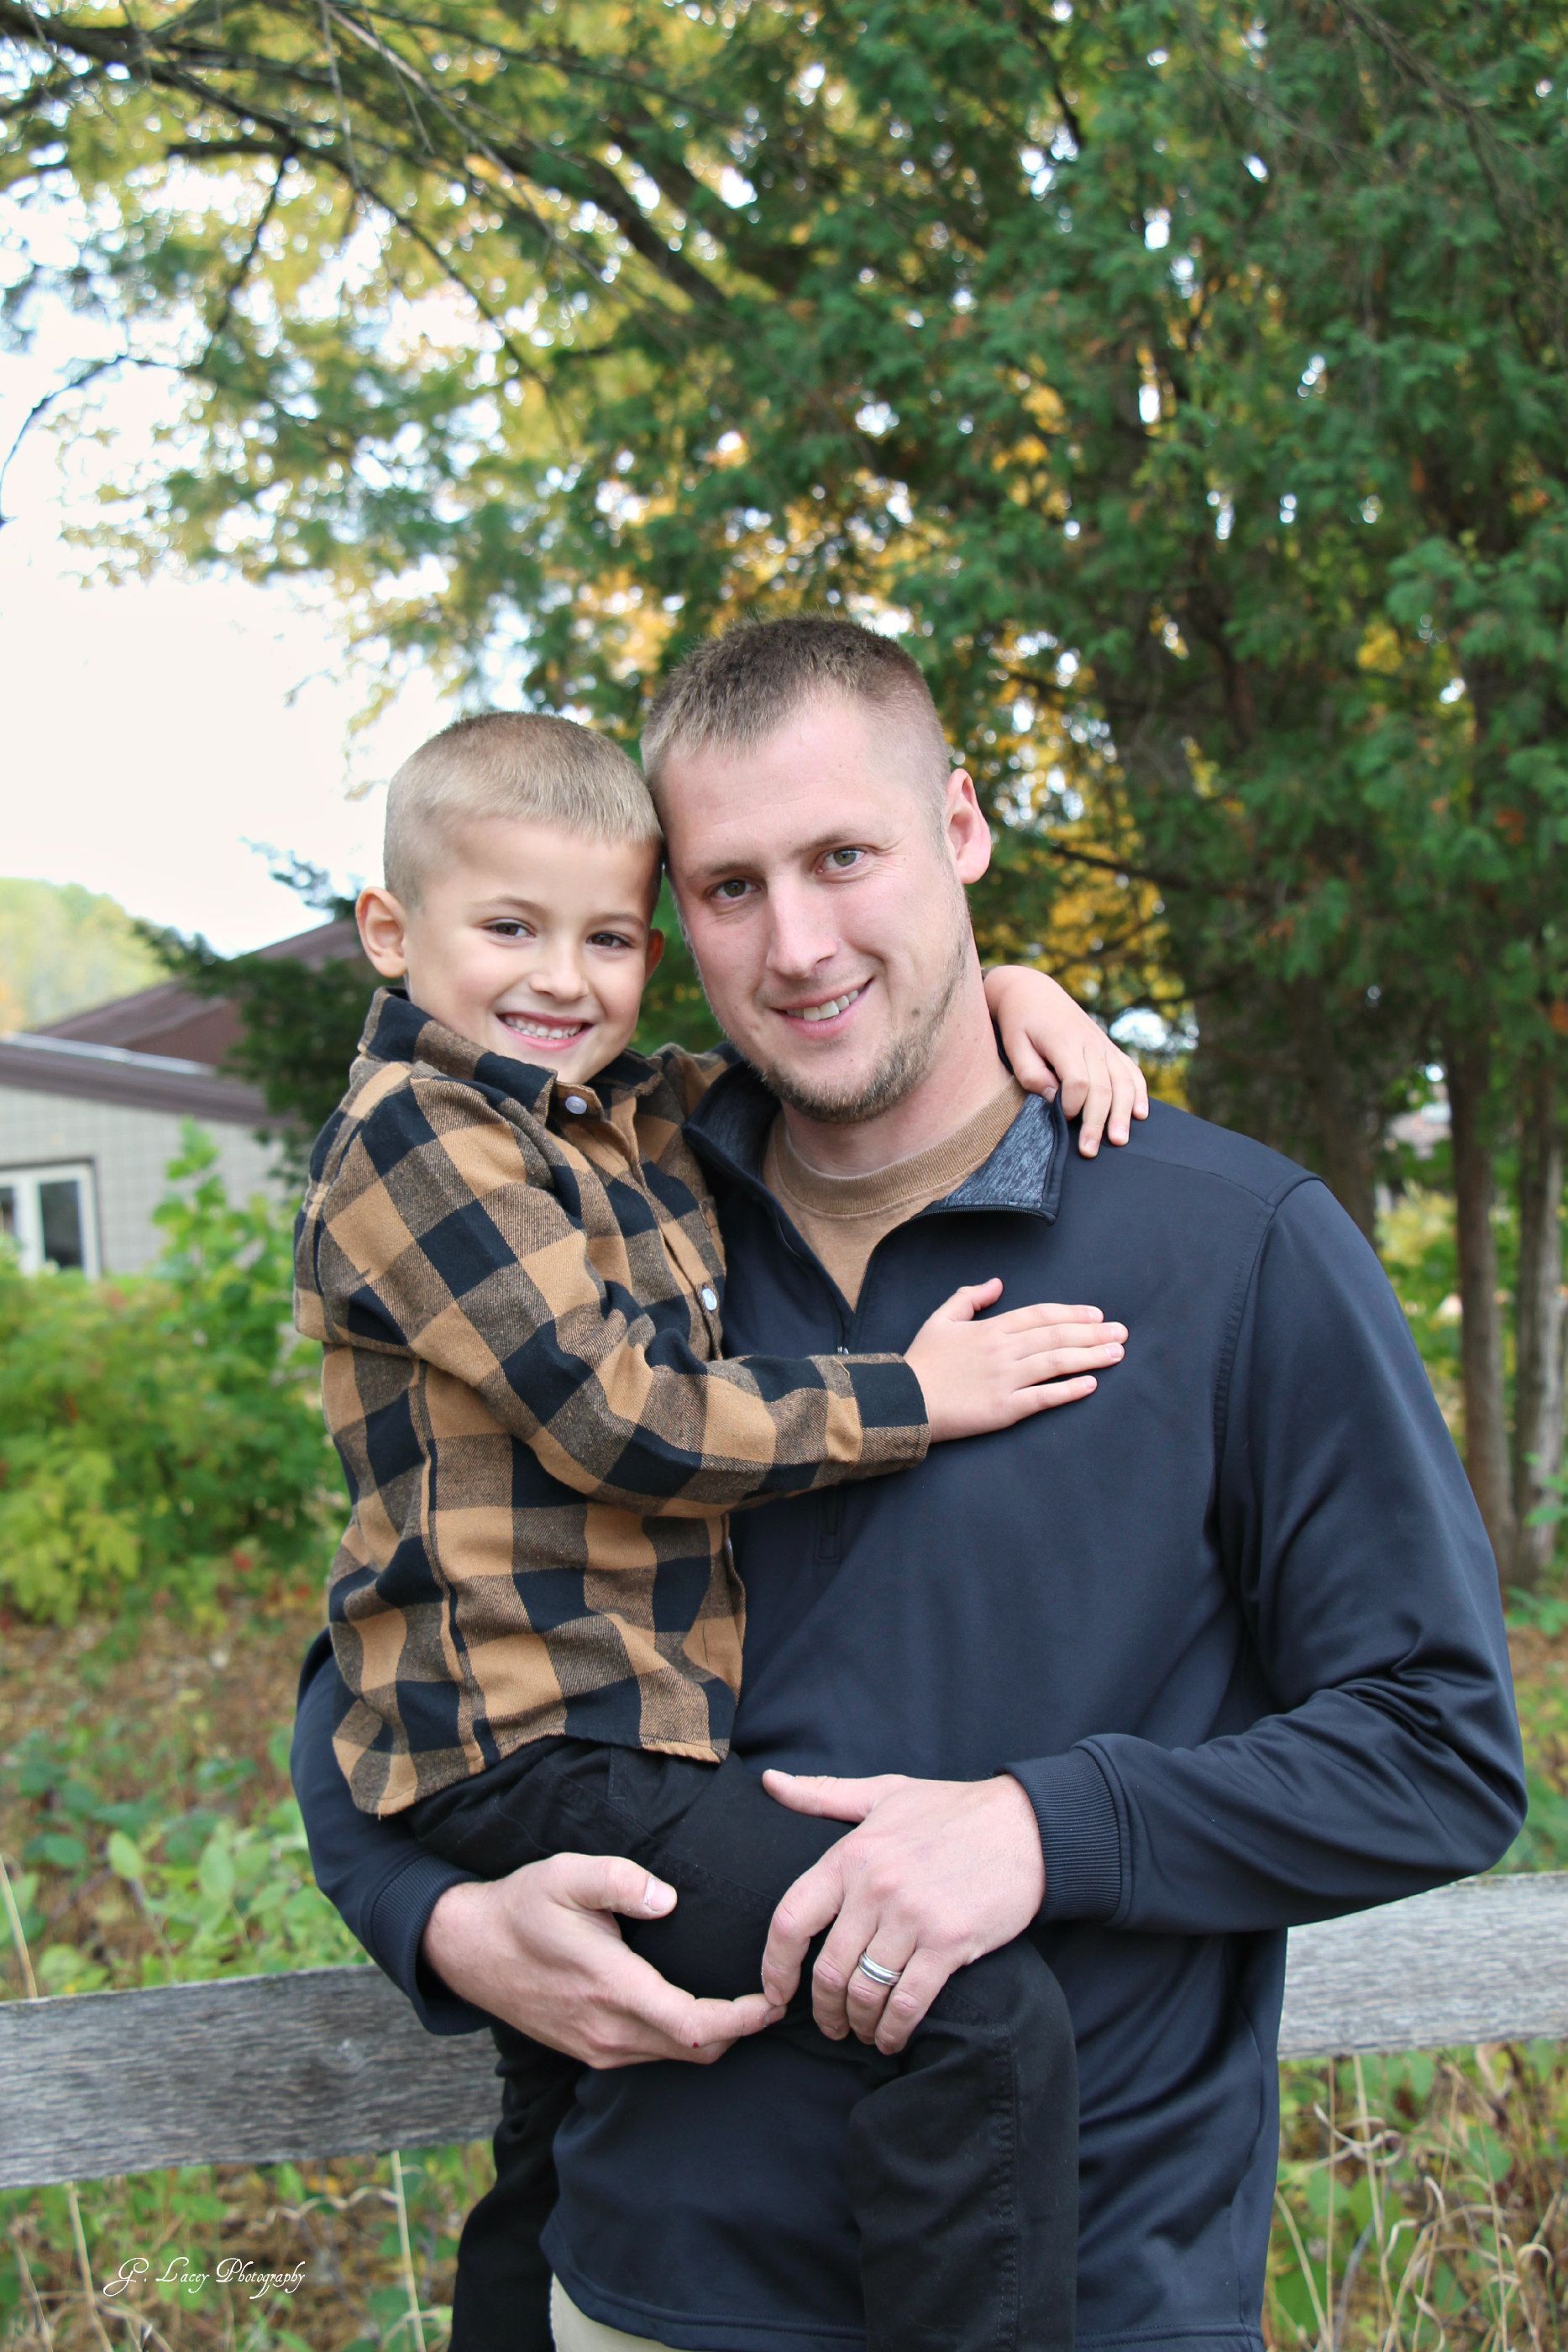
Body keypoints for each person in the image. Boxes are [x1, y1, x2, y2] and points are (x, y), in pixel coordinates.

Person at [292, 618, 1527, 2352]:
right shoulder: (621, 1206)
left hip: (1086, 2295)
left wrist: (1040, 1826)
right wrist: (435, 1916)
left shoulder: (1230, 1244)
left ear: (960, 829)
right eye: (728, 887)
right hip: (649, 2287)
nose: (796, 945)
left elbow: (1438, 1747)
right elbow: (393, 1629)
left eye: (844, 857)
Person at [293, 704, 1145, 2352]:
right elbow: (619, 1409)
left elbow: (829, 1054)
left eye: (608, 933)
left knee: (555, 2120)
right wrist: (915, 1390)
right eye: (511, 928)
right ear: (393, 936)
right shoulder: (416, 1142)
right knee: (964, 2004)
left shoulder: (614, 1114)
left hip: (612, 1739)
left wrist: (1018, 994)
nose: (564, 977)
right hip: (537, 1746)